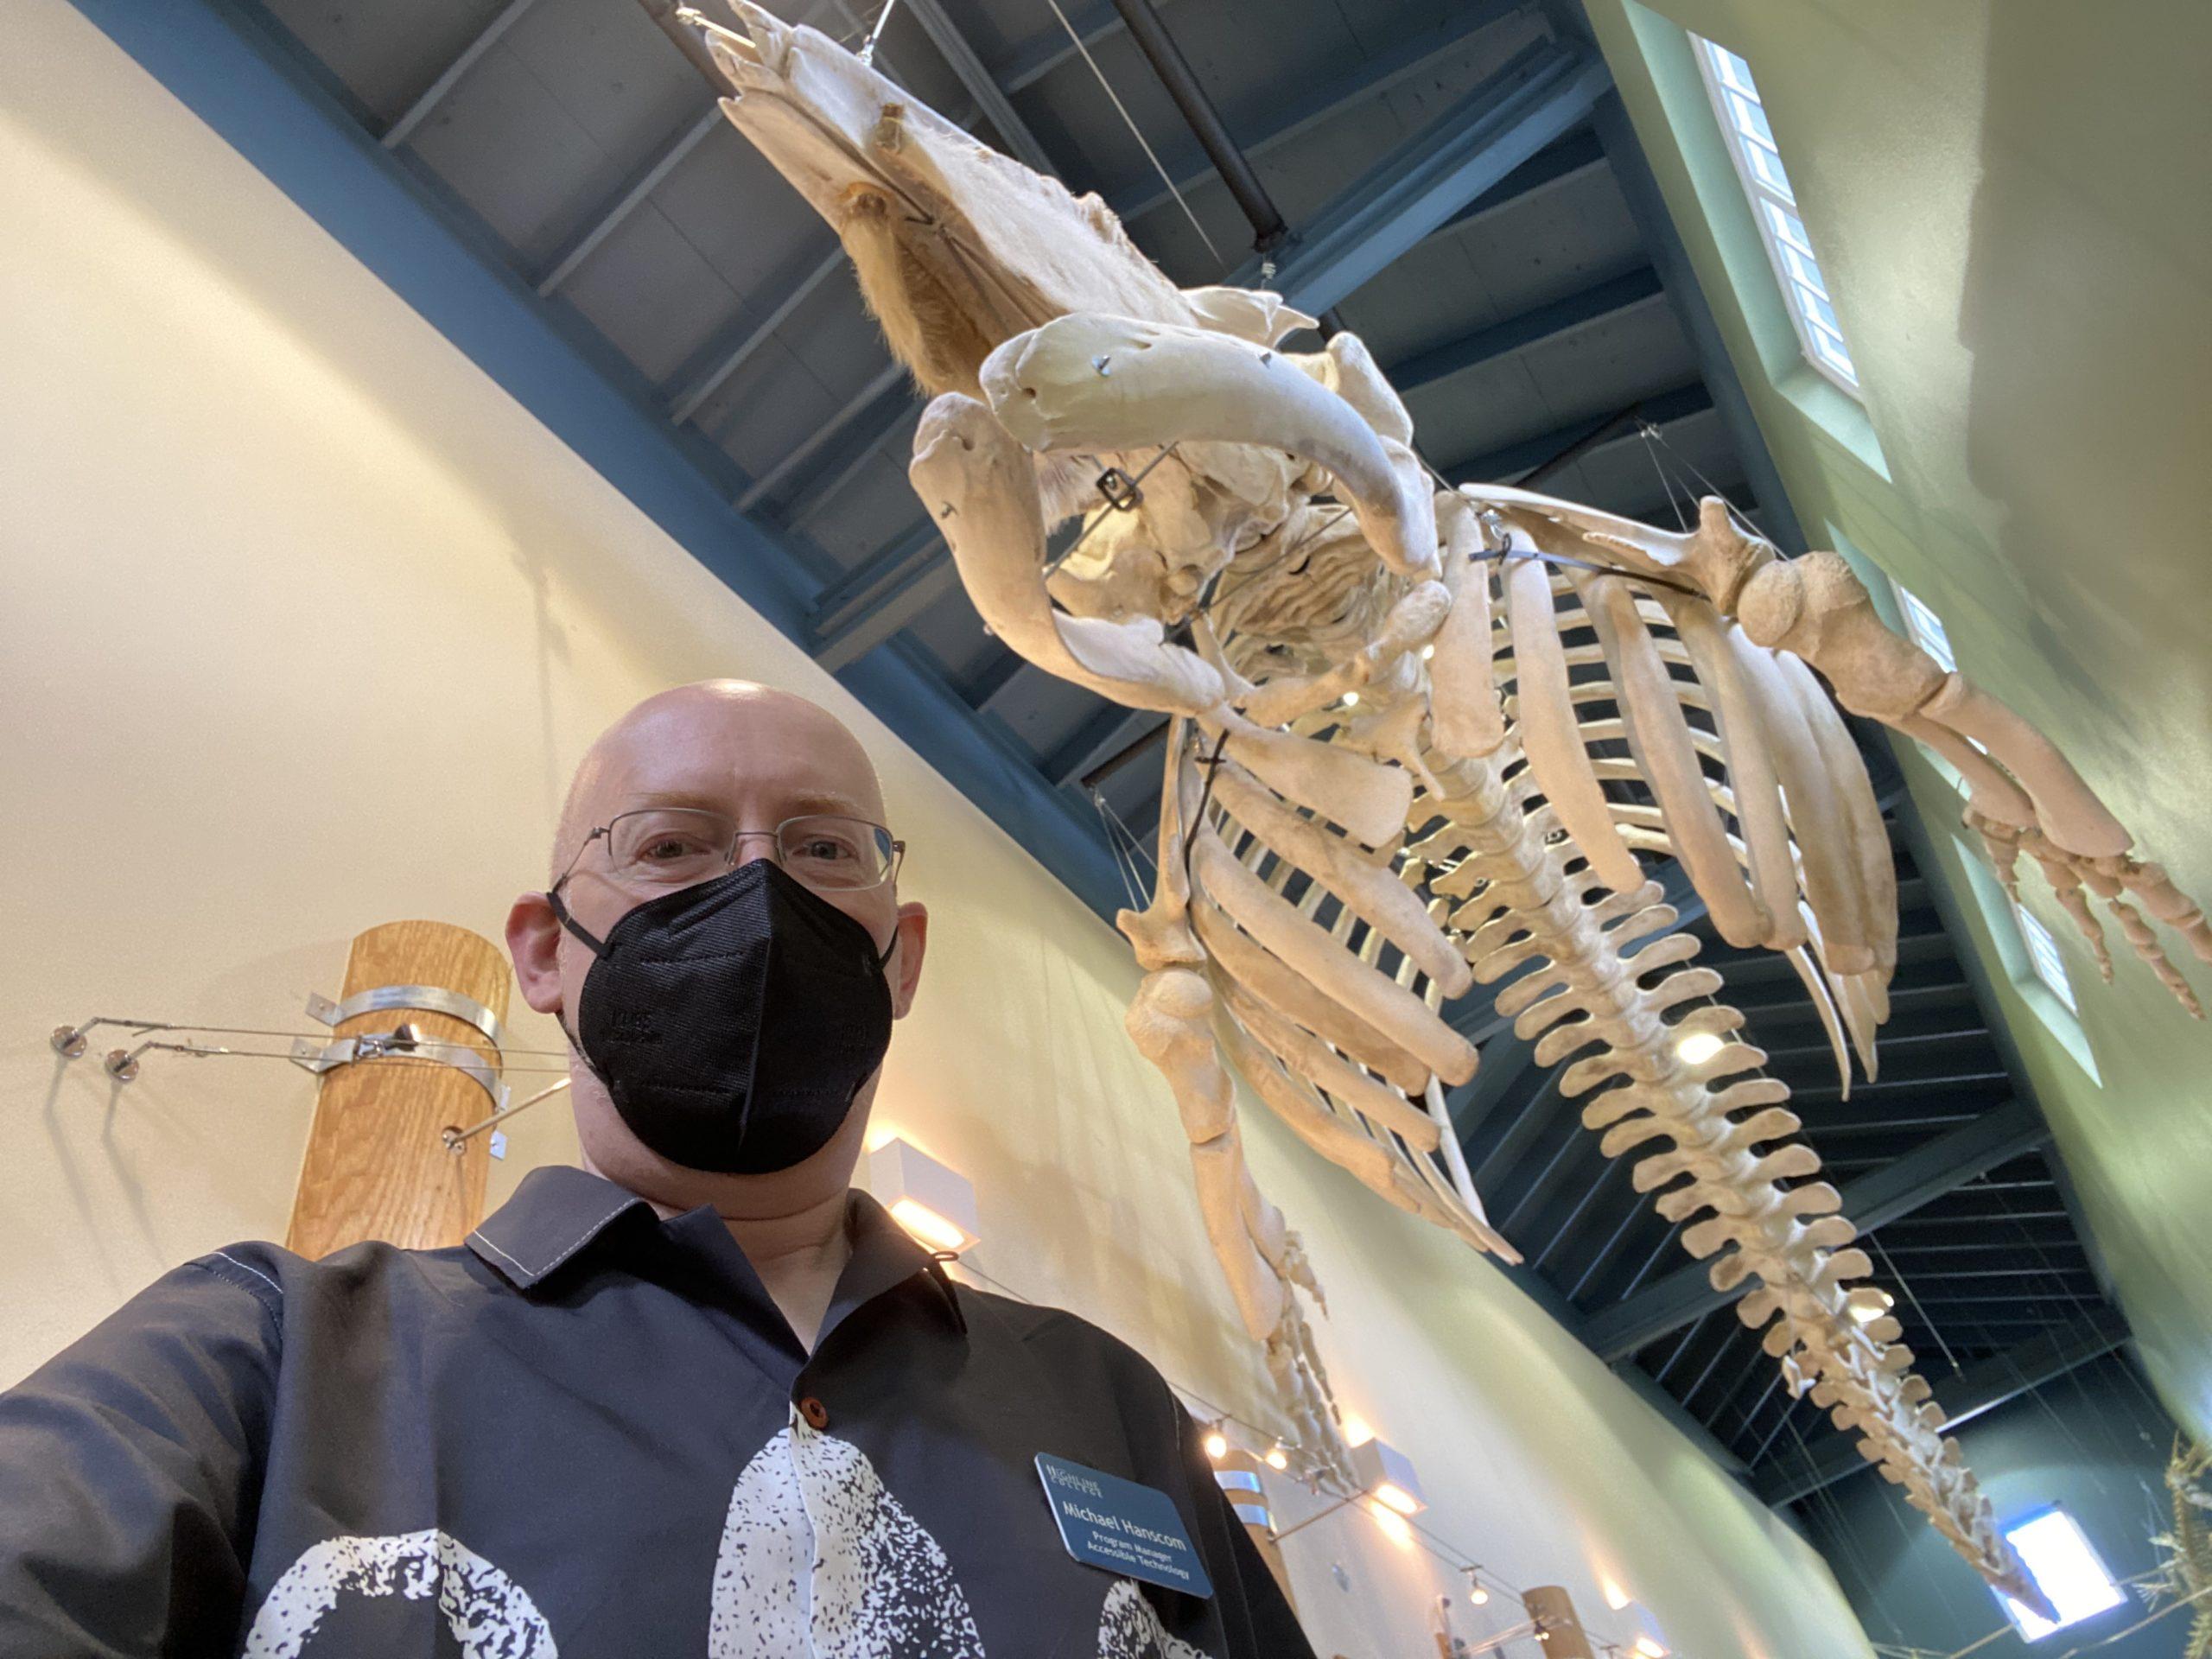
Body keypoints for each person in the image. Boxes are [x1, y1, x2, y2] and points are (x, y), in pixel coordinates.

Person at [0, 680, 1314, 1657]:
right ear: (543, 955)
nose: (758, 889)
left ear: (900, 956)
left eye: (821, 849)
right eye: (673, 845)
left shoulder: (1111, 1402)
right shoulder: (266, 1353)